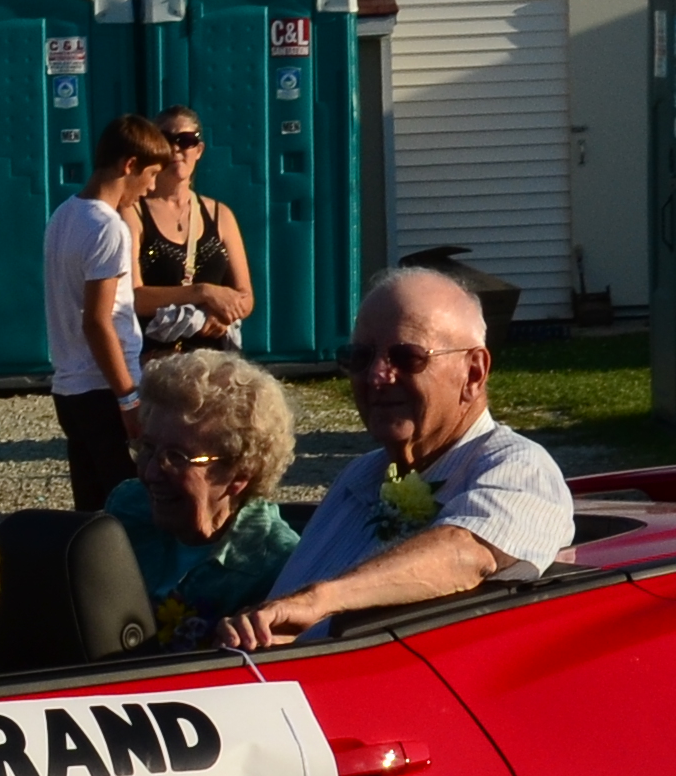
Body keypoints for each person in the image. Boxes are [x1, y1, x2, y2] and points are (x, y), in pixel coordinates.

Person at [228, 265, 572, 647]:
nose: (377, 376)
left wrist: (319, 601)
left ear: (473, 373)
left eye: (407, 358)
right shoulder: (361, 475)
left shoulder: (517, 467)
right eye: (360, 357)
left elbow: (467, 553)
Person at [101, 343, 301, 630]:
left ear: (238, 474)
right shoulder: (129, 507)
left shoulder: (276, 565)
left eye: (177, 457)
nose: (152, 472)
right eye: (148, 448)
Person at [48, 117, 176, 508]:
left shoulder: (63, 215)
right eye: (151, 174)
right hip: (103, 390)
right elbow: (97, 320)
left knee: (90, 509)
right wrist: (128, 400)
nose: (152, 187)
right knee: (130, 508)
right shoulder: (109, 227)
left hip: (69, 389)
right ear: (129, 165)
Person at [132, 112, 255, 357]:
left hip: (213, 361)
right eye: (167, 139)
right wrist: (202, 292)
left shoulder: (220, 215)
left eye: (186, 140)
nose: (177, 148)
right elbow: (134, 297)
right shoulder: (134, 212)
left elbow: (245, 296)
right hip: (157, 360)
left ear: (198, 150)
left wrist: (223, 316)